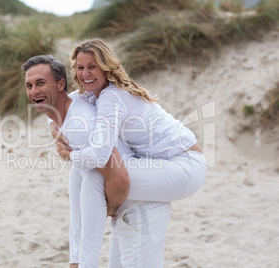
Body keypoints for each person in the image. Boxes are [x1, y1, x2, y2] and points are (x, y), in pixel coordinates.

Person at [52, 38, 207, 267]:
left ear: (106, 67)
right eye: (81, 68)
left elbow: (101, 155)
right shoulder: (97, 94)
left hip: (183, 165)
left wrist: (71, 156)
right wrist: (55, 127)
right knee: (81, 173)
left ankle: (84, 263)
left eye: (92, 67)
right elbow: (65, 101)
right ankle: (79, 258)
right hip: (164, 164)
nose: (85, 73)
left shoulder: (111, 97)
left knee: (93, 175)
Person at [21, 55, 133, 267]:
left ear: (61, 84)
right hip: (108, 179)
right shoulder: (66, 111)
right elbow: (78, 217)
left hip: (128, 187)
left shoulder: (81, 125)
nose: (33, 91)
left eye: (41, 83)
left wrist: (111, 207)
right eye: (29, 85)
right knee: (80, 183)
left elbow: (119, 176)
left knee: (89, 183)